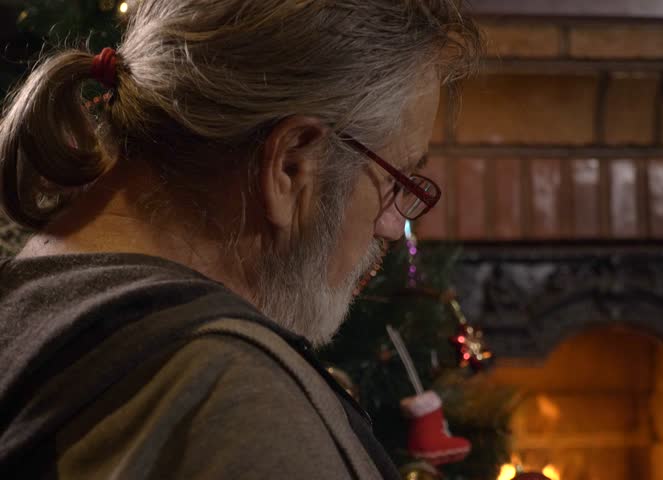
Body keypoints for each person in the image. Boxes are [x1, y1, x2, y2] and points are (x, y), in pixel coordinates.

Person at [0, 1, 481, 478]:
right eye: (397, 183)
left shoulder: (27, 296)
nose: (392, 226)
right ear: (293, 164)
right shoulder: (241, 405)